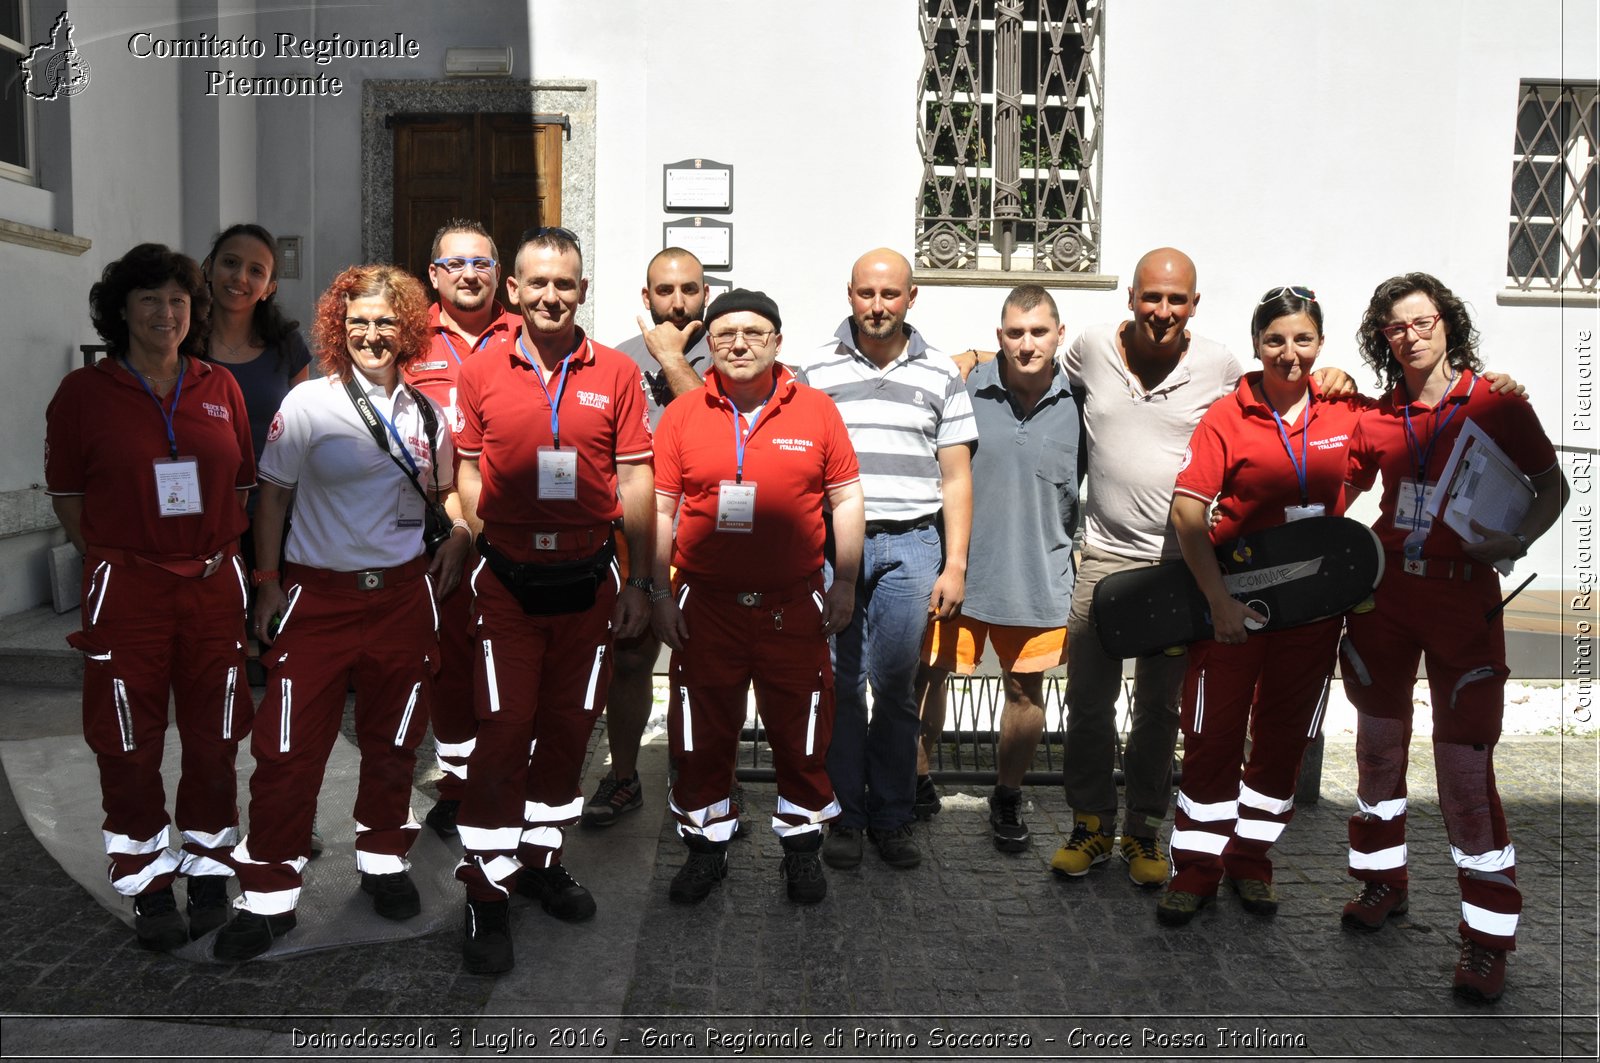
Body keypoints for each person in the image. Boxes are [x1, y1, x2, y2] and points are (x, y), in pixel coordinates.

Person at [213, 265, 471, 962]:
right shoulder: (308, 406)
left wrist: (463, 531)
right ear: (338, 325)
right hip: (318, 598)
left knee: (393, 743)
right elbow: (270, 499)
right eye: (358, 320)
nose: (371, 332)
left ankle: (384, 860)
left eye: (386, 320)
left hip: (401, 599)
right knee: (288, 750)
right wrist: (266, 584)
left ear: (407, 329)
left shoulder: (426, 413)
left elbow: (445, 496)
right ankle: (268, 893)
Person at [1339, 273, 1567, 1004]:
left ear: (1447, 323)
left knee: (1465, 773)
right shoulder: (1378, 415)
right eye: (1394, 327)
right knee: (1376, 750)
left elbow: (1551, 487)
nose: (1410, 334)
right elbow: (1326, 476)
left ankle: (1486, 937)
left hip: (1462, 597)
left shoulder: (1497, 401)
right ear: (1384, 340)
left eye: (1421, 320)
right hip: (1384, 594)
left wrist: (1515, 539)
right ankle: (1381, 882)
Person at [452, 226, 654, 975]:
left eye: (564, 283)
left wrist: (640, 581)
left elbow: (635, 481)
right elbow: (468, 469)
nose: (549, 295)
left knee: (570, 730)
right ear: (514, 289)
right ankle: (485, 889)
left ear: (582, 290)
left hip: (589, 580)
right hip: (506, 582)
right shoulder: (482, 368)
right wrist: (483, 531)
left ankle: (540, 859)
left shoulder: (617, 374)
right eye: (536, 282)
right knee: (503, 733)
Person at [45, 243, 256, 950]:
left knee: (215, 734)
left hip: (211, 584)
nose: (166, 313)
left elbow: (243, 485)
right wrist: (116, 555)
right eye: (149, 300)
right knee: (127, 741)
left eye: (177, 300)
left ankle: (205, 865)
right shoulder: (83, 395)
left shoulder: (218, 387)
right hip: (128, 587)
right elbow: (69, 496)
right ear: (121, 311)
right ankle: (146, 879)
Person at [1158, 286, 1367, 926]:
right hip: (1236, 610)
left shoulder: (1344, 409)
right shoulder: (1229, 414)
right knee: (1211, 737)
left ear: (1320, 344)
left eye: (1303, 339)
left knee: (1281, 741)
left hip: (1311, 612)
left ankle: (1252, 862)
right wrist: (1218, 602)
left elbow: (1391, 448)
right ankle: (1195, 869)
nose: (1290, 353)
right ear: (1257, 345)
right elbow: (1188, 512)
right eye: (1275, 340)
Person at [650, 289, 865, 904]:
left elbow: (847, 499)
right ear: (709, 345)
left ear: (777, 340)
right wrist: (658, 592)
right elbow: (662, 507)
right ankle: (705, 850)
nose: (739, 344)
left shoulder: (817, 410)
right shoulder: (685, 413)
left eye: (753, 333)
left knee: (802, 736)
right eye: (724, 335)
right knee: (700, 737)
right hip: (706, 607)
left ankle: (800, 852)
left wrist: (844, 581)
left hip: (791, 606)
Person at [1049, 248, 1247, 887]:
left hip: (1176, 567)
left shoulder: (1218, 365)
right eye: (1152, 297)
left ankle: (1142, 832)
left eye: (1177, 300)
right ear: (1131, 296)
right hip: (1101, 558)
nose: (1163, 311)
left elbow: (1266, 412)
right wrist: (973, 359)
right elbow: (1032, 361)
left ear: (1194, 304)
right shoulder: (1091, 350)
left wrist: (1326, 376)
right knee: (1087, 704)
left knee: (1160, 710)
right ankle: (1090, 825)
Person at [788, 248, 975, 872]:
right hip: (832, 548)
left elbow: (955, 478)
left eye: (890, 294)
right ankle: (843, 816)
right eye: (866, 293)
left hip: (911, 545)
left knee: (896, 689)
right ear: (849, 294)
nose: (877, 305)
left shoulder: (941, 373)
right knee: (838, 687)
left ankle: (893, 818)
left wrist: (955, 565)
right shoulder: (814, 368)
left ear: (911, 297)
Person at [916, 285, 1081, 853]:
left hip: (1038, 574)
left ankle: (1007, 794)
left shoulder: (1084, 402)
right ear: (998, 337)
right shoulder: (965, 387)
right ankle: (916, 779)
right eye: (1015, 332)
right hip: (958, 568)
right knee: (929, 673)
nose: (1027, 343)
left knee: (1024, 691)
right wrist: (966, 358)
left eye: (1039, 332)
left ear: (1060, 335)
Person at [402, 219, 522, 839]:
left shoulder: (526, 335)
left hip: (513, 534)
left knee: (508, 666)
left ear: (498, 273)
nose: (468, 274)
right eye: (454, 265)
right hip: (437, 533)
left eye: (481, 262)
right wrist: (452, 526)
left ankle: (508, 781)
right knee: (448, 668)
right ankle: (456, 782)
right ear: (434, 275)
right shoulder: (404, 341)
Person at [585, 247, 712, 829]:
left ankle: (711, 779)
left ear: (706, 293)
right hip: (634, 537)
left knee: (712, 668)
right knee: (631, 662)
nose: (678, 301)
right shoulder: (613, 361)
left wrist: (675, 360)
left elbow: (714, 433)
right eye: (665, 290)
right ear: (646, 296)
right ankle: (625, 775)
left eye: (690, 289)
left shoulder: (731, 351)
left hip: (708, 538)